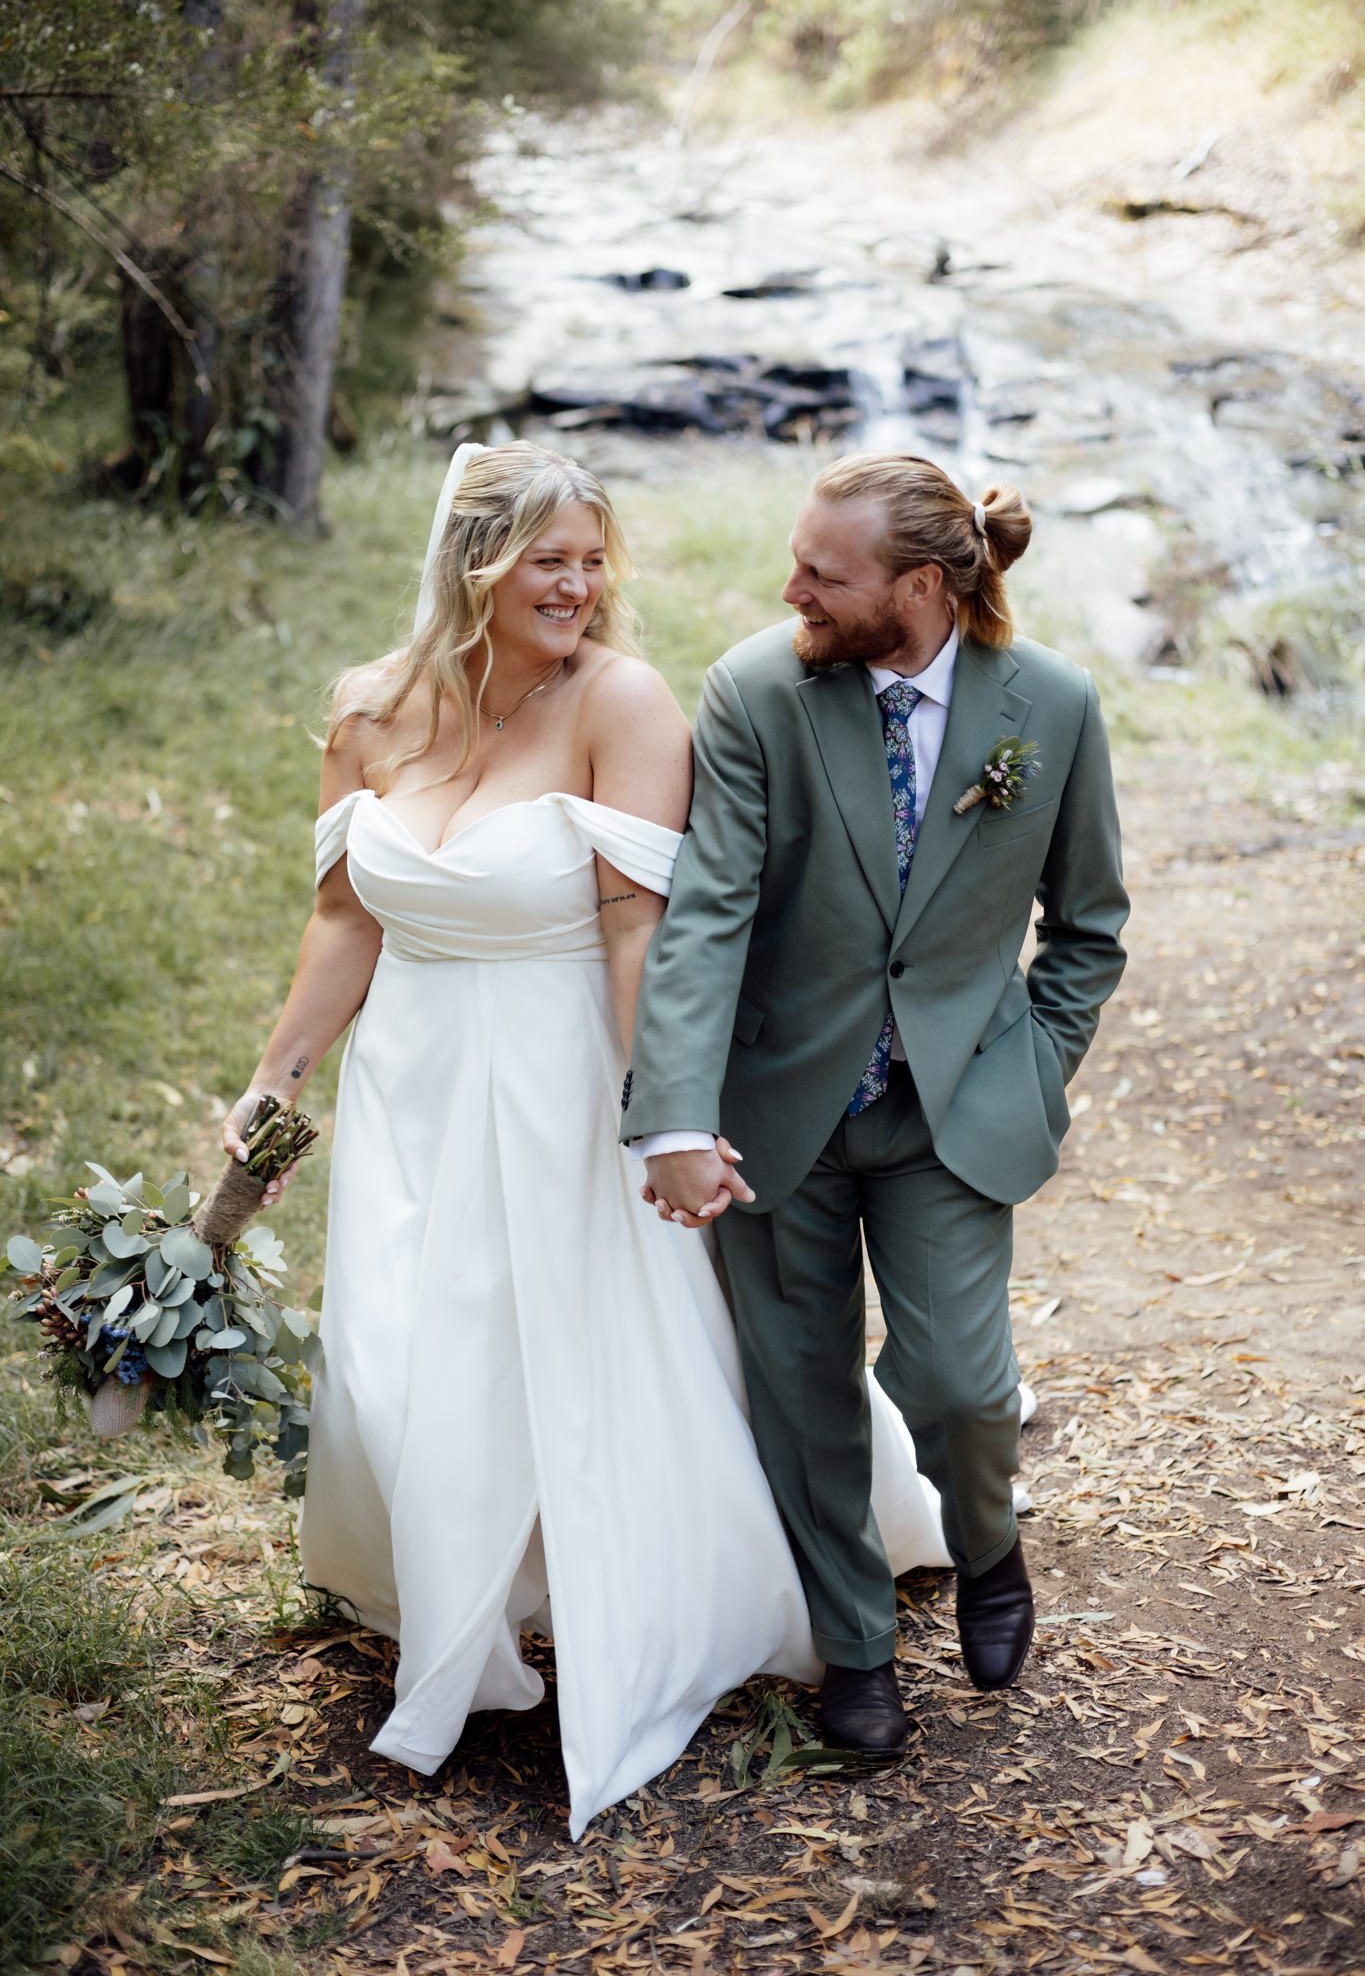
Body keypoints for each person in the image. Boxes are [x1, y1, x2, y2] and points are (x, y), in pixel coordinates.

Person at [220, 440, 956, 1840]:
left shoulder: (620, 702)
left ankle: (719, 1577)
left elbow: (639, 931)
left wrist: (667, 1117)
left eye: (588, 557)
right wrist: (279, 1076)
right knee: (398, 1358)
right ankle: (465, 1588)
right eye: (547, 559)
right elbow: (345, 920)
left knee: (590, 1354)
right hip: (413, 1088)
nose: (578, 583)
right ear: (473, 564)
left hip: (568, 1084)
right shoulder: (369, 712)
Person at [625, 452, 1129, 1759]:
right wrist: (673, 1115)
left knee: (959, 1386)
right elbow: (707, 916)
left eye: (821, 572)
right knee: (801, 1395)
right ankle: (853, 1643)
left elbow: (1085, 928)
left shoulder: (1053, 705)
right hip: (772, 1107)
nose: (788, 585)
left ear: (919, 584)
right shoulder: (753, 692)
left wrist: (1033, 1058)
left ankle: (988, 1547)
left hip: (949, 1113)